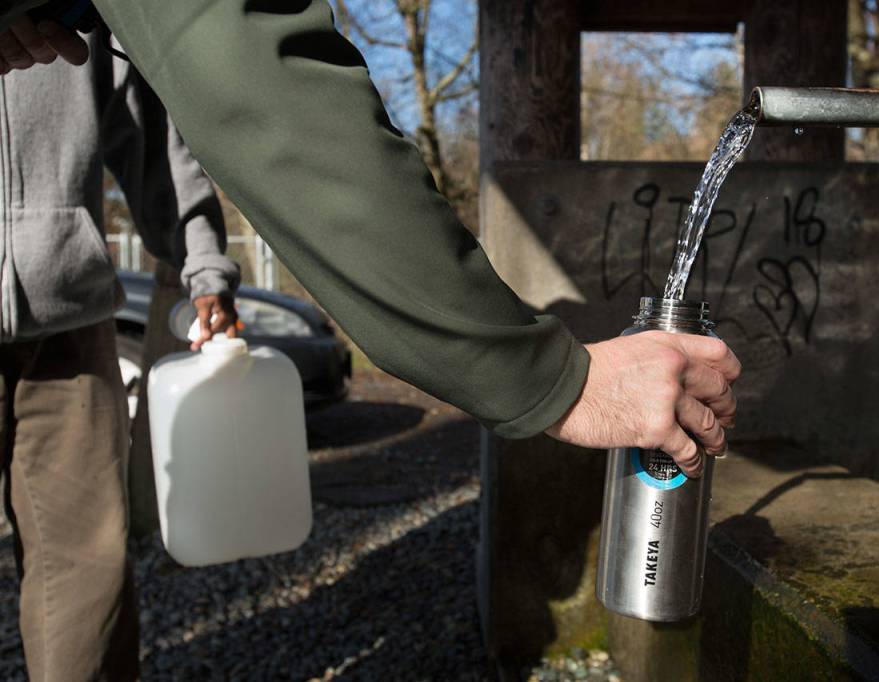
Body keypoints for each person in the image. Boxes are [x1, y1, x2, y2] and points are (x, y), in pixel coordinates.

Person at [0, 3, 739, 471]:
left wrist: (205, 269)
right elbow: (262, 89)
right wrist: (558, 383)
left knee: (84, 574)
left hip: (62, 305)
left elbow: (164, 127)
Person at [0, 31, 239, 679]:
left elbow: (152, 139)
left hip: (67, 319)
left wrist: (203, 263)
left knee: (85, 564)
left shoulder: (79, 12)